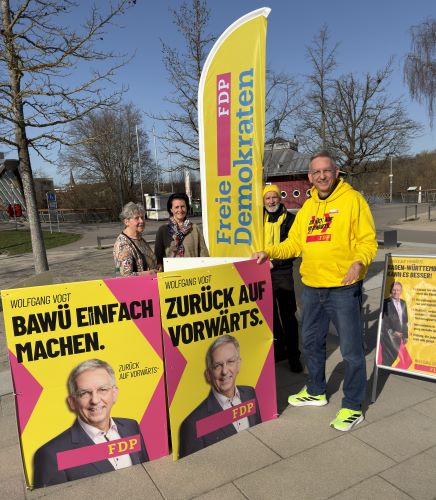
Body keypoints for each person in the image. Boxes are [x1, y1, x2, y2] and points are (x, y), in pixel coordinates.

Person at [253, 150, 377, 432]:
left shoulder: (353, 201)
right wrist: (269, 252)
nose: (322, 176)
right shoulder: (308, 207)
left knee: (351, 351)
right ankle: (316, 390)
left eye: (326, 171)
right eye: (316, 172)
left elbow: (367, 241)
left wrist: (359, 262)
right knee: (310, 343)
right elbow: (294, 244)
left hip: (342, 287)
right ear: (310, 177)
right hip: (311, 287)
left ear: (336, 172)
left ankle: (353, 406)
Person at [33, 359, 149, 488]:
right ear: (72, 402)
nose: (95, 400)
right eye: (84, 393)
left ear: (114, 394)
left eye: (102, 389)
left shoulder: (131, 427)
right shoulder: (51, 455)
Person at [178, 335, 261, 458]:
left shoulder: (250, 393)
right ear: (208, 374)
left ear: (238, 364)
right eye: (217, 365)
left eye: (230, 362)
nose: (224, 371)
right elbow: (192, 466)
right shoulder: (192, 424)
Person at [263, 184, 302, 372]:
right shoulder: (257, 220)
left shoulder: (291, 220)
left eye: (274, 197)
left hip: (282, 272)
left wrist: (275, 262)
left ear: (280, 198)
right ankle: (279, 351)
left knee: (288, 315)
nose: (271, 201)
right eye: (267, 198)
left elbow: (294, 248)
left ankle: (294, 356)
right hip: (262, 272)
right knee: (270, 316)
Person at [154, 192, 209, 269]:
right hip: (172, 273)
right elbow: (157, 258)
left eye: (183, 206)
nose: (180, 210)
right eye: (176, 207)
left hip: (192, 272)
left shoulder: (194, 229)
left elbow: (204, 255)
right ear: (171, 209)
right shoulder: (163, 230)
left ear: (187, 208)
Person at [113, 202, 160, 276]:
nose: (141, 221)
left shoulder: (140, 239)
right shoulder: (123, 245)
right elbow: (124, 276)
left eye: (142, 217)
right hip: (138, 283)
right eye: (137, 218)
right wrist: (150, 273)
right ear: (126, 222)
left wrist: (157, 267)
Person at [380, 282, 409, 366]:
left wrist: (405, 335)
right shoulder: (386, 303)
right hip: (388, 337)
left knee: (394, 356)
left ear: (401, 291)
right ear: (391, 290)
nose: (396, 292)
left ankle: (386, 369)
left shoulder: (403, 303)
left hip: (399, 337)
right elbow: (383, 323)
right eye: (394, 290)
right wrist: (393, 332)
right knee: (387, 358)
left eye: (398, 290)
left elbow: (405, 320)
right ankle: (383, 370)